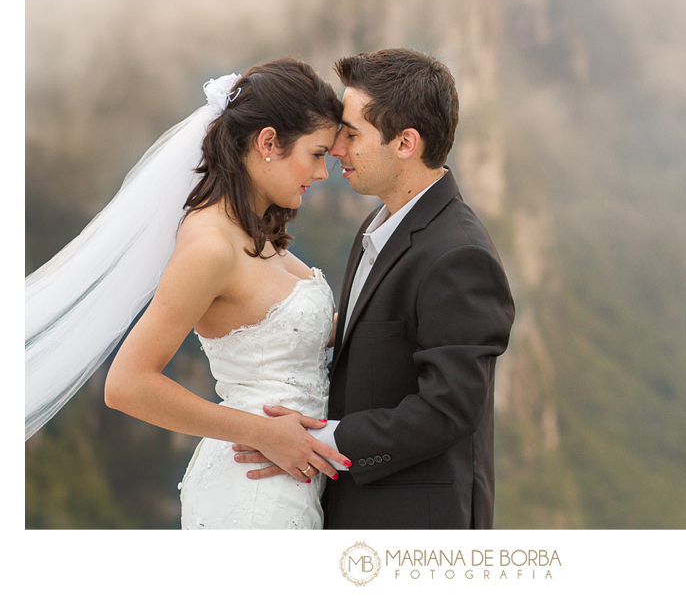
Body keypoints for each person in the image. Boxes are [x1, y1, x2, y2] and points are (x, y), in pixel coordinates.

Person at [25, 57, 352, 529]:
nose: (323, 173)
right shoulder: (210, 246)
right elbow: (126, 384)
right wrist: (265, 433)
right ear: (267, 142)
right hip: (252, 494)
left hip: (292, 487)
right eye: (317, 153)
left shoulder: (257, 234)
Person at [234, 48, 516, 528]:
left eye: (351, 133)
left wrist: (325, 441)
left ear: (405, 143)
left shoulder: (458, 255)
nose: (337, 148)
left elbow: (450, 408)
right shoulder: (378, 226)